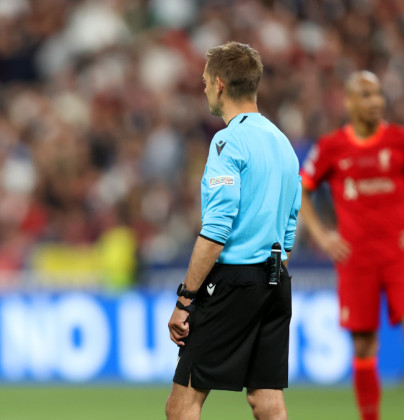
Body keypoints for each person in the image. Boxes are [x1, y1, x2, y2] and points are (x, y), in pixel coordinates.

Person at [166, 41, 301, 420]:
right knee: (268, 402)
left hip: (232, 283)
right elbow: (289, 227)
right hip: (275, 282)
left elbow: (215, 231)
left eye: (206, 81)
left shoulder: (229, 141)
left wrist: (185, 299)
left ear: (220, 84)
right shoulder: (284, 145)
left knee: (182, 406)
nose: (204, 87)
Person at [299, 70, 404, 420]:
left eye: (377, 94)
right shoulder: (332, 147)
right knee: (362, 344)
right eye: (365, 94)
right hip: (356, 259)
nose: (375, 101)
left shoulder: (398, 140)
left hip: (398, 255)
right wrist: (322, 234)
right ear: (348, 102)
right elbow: (302, 188)